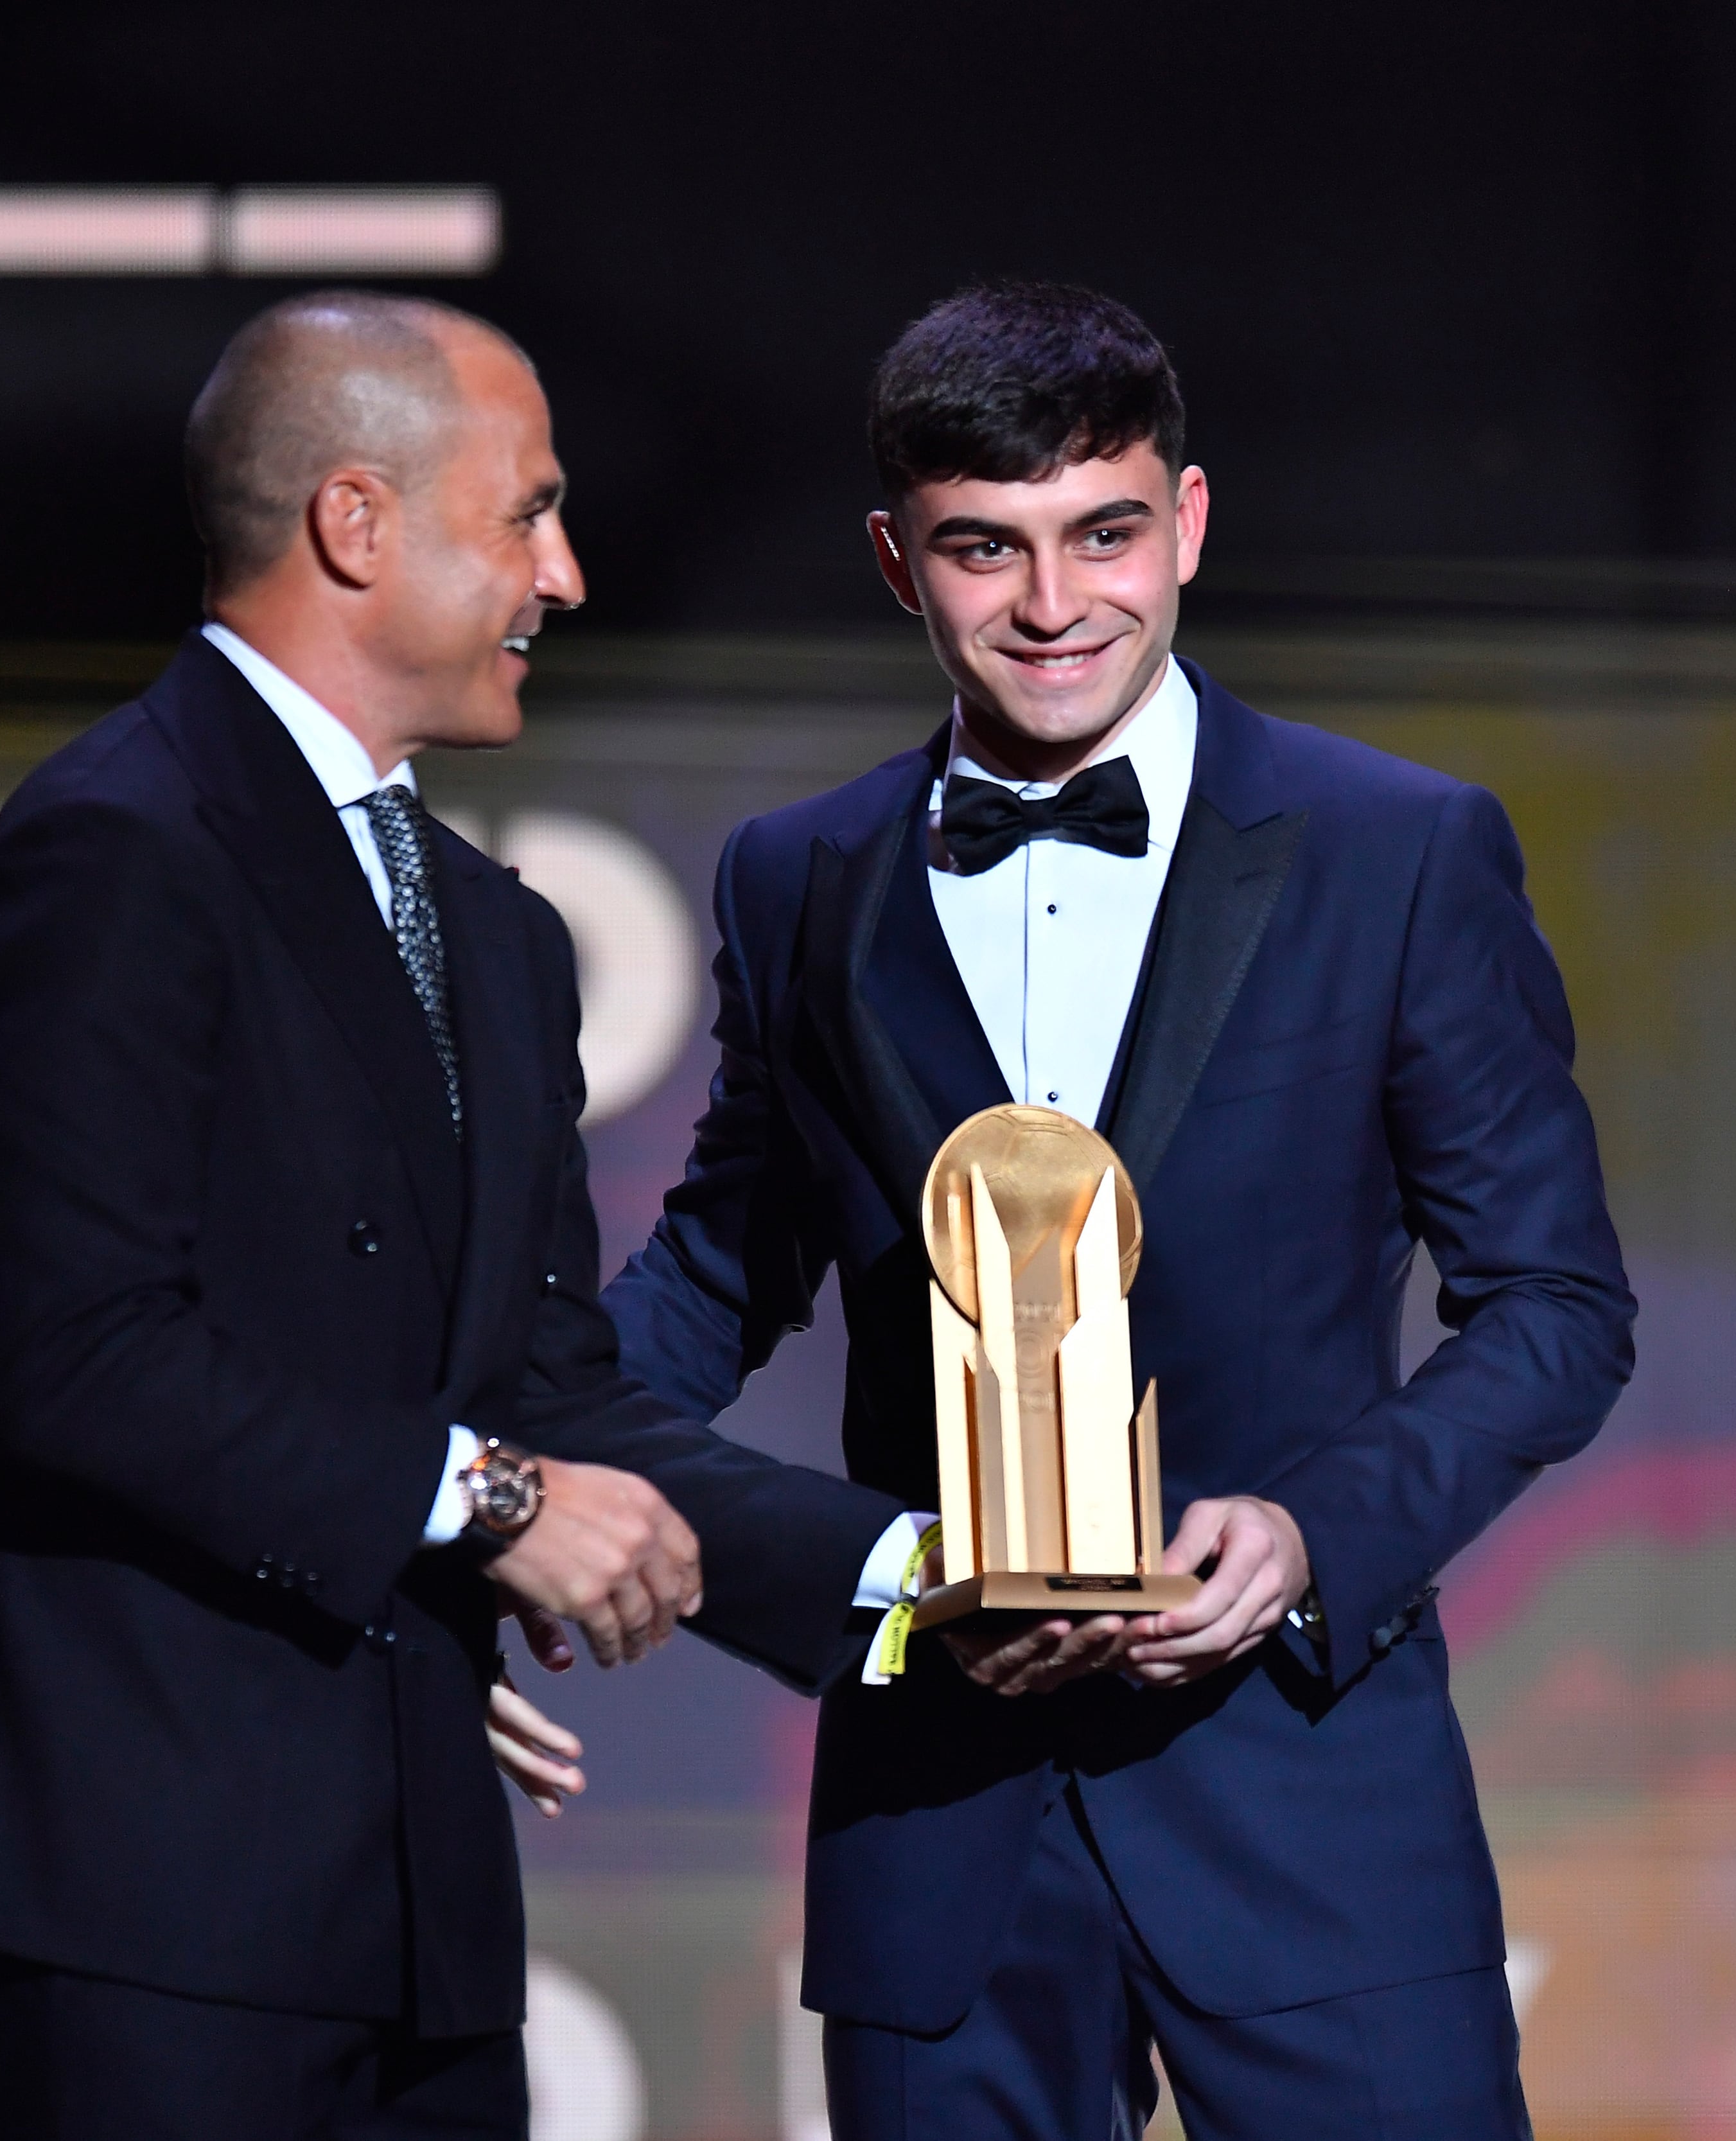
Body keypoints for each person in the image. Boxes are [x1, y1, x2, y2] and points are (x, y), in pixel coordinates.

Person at [0, 290, 915, 2140]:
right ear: (357, 524)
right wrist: (487, 1505)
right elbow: (82, 1358)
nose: (566, 575)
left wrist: (913, 1578)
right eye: (527, 515)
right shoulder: (115, 848)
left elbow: (551, 1387)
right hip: (141, 1896)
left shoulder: (495, 937)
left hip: (411, 1905)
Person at [599, 281, 1637, 2139]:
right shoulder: (799, 882)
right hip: (945, 1806)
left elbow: (1556, 1302)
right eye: (985, 549)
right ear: (896, 561)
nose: (1059, 605)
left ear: (1193, 522)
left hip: (1312, 1801)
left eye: (1108, 534)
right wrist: (522, 1436)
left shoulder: (1399, 851)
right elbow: (720, 1266)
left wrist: (1309, 1537)